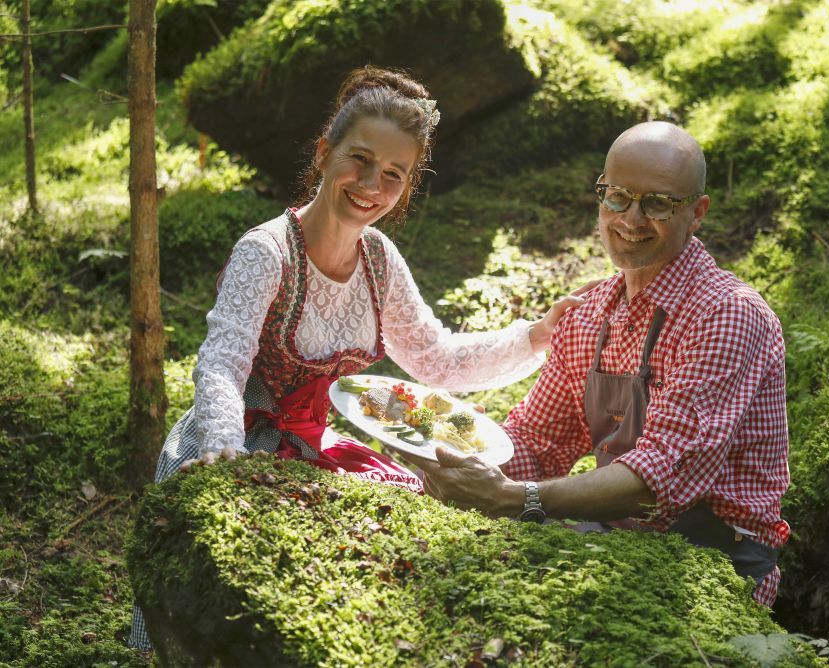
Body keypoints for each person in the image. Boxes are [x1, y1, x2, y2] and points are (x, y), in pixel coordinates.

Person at [128, 65, 586, 651]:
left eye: (393, 173)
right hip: (235, 443)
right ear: (324, 153)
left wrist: (537, 337)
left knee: (414, 523)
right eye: (359, 159)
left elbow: (438, 360)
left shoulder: (379, 261)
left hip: (309, 446)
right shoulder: (267, 252)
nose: (371, 183)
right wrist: (226, 453)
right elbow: (222, 364)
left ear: (408, 184)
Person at [409, 121, 791, 607]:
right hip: (616, 539)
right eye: (618, 197)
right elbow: (536, 441)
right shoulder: (589, 314)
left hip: (718, 561)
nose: (631, 218)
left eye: (657, 203)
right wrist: (451, 458)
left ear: (697, 213)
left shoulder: (727, 314)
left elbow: (658, 480)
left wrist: (514, 498)